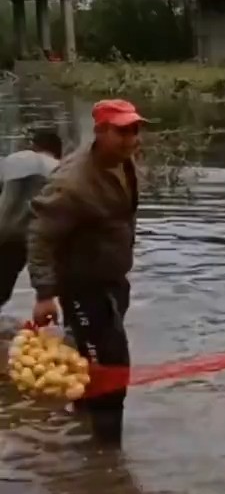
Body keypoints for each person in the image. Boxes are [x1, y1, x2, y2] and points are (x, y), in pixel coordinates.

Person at [26, 99, 147, 447]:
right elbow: (40, 234)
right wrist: (45, 294)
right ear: (100, 132)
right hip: (82, 286)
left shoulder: (124, 163)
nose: (131, 139)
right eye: (122, 131)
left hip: (112, 279)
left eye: (135, 130)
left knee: (89, 357)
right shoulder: (71, 183)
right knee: (112, 368)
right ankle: (107, 460)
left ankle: (80, 425)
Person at [0, 128, 63, 310]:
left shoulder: (11, 161)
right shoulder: (59, 168)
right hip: (39, 237)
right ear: (57, 151)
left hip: (4, 232)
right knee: (56, 285)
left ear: (34, 146)